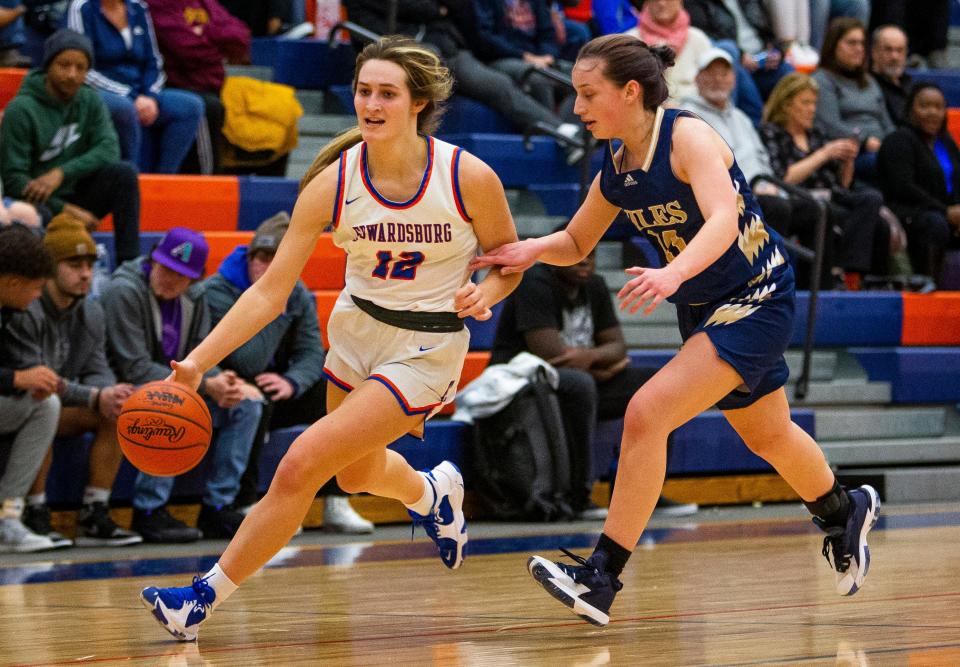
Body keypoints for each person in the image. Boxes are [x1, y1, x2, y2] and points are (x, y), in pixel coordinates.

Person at [472, 34, 881, 626]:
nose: (578, 107)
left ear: (630, 91)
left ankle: (600, 576)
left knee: (646, 413)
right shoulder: (615, 161)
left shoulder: (685, 137)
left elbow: (719, 220)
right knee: (767, 434)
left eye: (589, 94)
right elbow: (576, 241)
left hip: (754, 294)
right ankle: (844, 508)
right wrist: (528, 249)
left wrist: (673, 272)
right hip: (705, 303)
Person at [138, 36, 521, 641]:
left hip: (425, 348)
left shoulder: (467, 176)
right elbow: (268, 293)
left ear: (417, 102)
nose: (370, 102)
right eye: (363, 90)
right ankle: (432, 492)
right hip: (355, 332)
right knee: (355, 476)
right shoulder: (332, 183)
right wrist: (195, 362)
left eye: (386, 93)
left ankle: (199, 600)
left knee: (300, 466)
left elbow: (509, 260)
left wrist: (489, 293)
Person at [491, 235, 698, 518]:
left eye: (592, 256)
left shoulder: (595, 285)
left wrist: (589, 358)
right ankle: (578, 496)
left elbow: (617, 346)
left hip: (583, 381)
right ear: (555, 258)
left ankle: (643, 493)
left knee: (657, 387)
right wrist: (605, 363)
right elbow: (552, 357)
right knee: (579, 385)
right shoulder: (535, 283)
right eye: (578, 255)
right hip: (523, 387)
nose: (586, 261)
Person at [204, 211, 374, 534]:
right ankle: (246, 502)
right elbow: (245, 360)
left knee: (337, 387)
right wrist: (275, 309)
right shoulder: (218, 291)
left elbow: (313, 352)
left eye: (275, 259)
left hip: (277, 384)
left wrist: (293, 381)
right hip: (230, 385)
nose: (265, 267)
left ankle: (335, 499)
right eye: (261, 257)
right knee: (253, 396)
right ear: (250, 255)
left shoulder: (298, 292)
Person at [101, 227, 263, 543]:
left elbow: (201, 352)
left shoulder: (194, 298)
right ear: (153, 258)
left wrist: (221, 379)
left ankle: (218, 506)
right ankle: (149, 510)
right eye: (165, 267)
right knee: (164, 406)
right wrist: (204, 385)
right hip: (123, 386)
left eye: (181, 274)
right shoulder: (123, 290)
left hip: (178, 384)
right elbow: (133, 367)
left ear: (195, 279)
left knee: (247, 402)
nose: (170, 278)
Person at [2, 215, 142, 548]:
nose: (85, 274)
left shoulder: (91, 312)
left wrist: (107, 393)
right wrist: (94, 395)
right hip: (33, 399)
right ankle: (33, 512)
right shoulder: (24, 310)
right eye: (74, 264)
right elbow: (34, 379)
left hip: (51, 400)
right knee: (43, 401)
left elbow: (97, 367)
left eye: (90, 265)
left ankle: (96, 510)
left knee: (120, 409)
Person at [343, 0, 585, 164]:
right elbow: (383, 22)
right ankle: (562, 132)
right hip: (405, 54)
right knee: (489, 81)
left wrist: (436, 12)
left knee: (501, 83)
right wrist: (434, 10)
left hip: (450, 50)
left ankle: (561, 132)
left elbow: (456, 10)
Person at [681, 48, 835, 288]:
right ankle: (767, 281)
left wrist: (769, 185)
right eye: (711, 73)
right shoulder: (688, 117)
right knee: (777, 207)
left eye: (725, 74)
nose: (718, 79)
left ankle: (816, 288)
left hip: (763, 189)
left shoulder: (741, 117)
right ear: (697, 78)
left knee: (816, 210)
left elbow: (762, 158)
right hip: (726, 197)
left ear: (734, 79)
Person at [0, 29, 141, 264]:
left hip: (74, 189)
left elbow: (109, 149)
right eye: (63, 65)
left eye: (80, 67)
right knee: (36, 214)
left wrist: (60, 173)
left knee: (124, 174)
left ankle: (129, 264)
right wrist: (66, 210)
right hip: (36, 200)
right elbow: (14, 180)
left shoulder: (90, 99)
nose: (72, 74)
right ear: (48, 66)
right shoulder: (21, 109)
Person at [761, 72, 890, 289]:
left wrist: (847, 162)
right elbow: (784, 176)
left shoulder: (816, 134)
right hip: (801, 198)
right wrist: (824, 154)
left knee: (872, 199)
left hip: (831, 195)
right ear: (786, 105)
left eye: (814, 103)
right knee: (872, 223)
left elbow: (842, 184)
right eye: (805, 102)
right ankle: (841, 274)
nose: (812, 109)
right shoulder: (772, 133)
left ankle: (863, 277)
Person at [66, 0, 205, 174]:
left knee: (190, 106)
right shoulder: (82, 7)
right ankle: (131, 177)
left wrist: (150, 96)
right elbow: (81, 67)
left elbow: (154, 60)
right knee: (124, 108)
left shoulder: (138, 7)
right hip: (98, 89)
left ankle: (164, 180)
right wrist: (131, 96)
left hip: (141, 91)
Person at [0, 226, 61, 553]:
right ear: (12, 283)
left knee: (46, 404)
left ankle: (6, 517)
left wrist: (32, 380)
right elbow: (11, 376)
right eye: (36, 288)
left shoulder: (8, 309)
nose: (38, 296)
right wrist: (16, 379)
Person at [145, 0, 251, 174]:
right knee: (208, 107)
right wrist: (218, 45)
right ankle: (209, 182)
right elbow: (185, 49)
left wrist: (206, 33)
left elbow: (241, 36)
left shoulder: (204, 2)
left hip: (211, 84)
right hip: (174, 84)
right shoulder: (156, 4)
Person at [877, 83, 960, 283]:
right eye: (925, 106)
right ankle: (928, 285)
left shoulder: (946, 143)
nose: (932, 112)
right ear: (910, 109)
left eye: (938, 107)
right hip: (907, 212)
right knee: (935, 223)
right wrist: (946, 212)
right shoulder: (898, 140)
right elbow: (903, 187)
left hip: (944, 212)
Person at [812, 17, 896, 185]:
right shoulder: (822, 80)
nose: (859, 49)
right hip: (851, 154)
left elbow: (887, 123)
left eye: (862, 43)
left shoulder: (869, 81)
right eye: (852, 43)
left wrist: (894, 143)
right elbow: (831, 126)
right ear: (833, 45)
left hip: (881, 149)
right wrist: (865, 142)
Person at [626, 0, 713, 103]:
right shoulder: (630, 41)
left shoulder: (698, 39)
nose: (662, 3)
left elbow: (712, 87)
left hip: (695, 112)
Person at [870, 24, 912, 128]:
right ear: (874, 52)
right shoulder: (866, 85)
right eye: (888, 49)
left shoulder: (910, 85)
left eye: (900, 50)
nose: (895, 56)